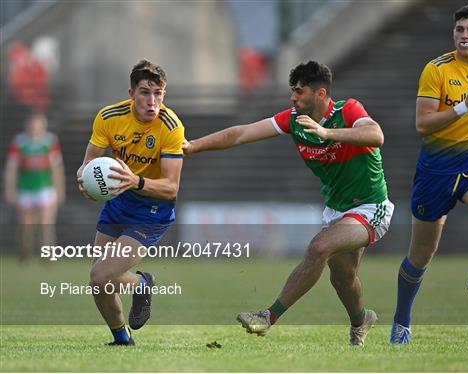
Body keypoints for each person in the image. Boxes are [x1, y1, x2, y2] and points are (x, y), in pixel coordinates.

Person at [183, 61, 394, 346]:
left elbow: (376, 135)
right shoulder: (293, 119)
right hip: (337, 208)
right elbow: (242, 133)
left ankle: (267, 317)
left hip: (371, 206)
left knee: (319, 247)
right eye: (292, 91)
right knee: (343, 279)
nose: (293, 97)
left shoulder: (348, 110)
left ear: (320, 94)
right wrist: (193, 146)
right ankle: (361, 321)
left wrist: (326, 133)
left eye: (299, 91)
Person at [390, 4, 468, 344]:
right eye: (460, 29)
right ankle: (402, 320)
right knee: (421, 255)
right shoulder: (437, 70)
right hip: (435, 172)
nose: (464, 35)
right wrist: (465, 107)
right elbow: (423, 124)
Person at [76, 60, 185, 345]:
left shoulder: (171, 127)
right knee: (99, 280)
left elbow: (171, 188)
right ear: (131, 93)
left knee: (100, 276)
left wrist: (135, 181)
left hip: (152, 210)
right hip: (118, 202)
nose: (153, 102)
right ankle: (122, 337)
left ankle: (141, 285)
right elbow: (89, 163)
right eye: (145, 93)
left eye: (159, 93)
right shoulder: (109, 117)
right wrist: (84, 179)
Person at [4, 113, 65, 264]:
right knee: (26, 226)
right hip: (25, 190)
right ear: (27, 126)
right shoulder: (19, 142)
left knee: (46, 223)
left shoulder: (50, 142)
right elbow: (11, 168)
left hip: (45, 189)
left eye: (38, 125)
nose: (35, 128)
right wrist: (9, 189)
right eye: (32, 125)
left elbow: (57, 168)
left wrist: (60, 190)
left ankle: (47, 257)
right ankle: (24, 255)